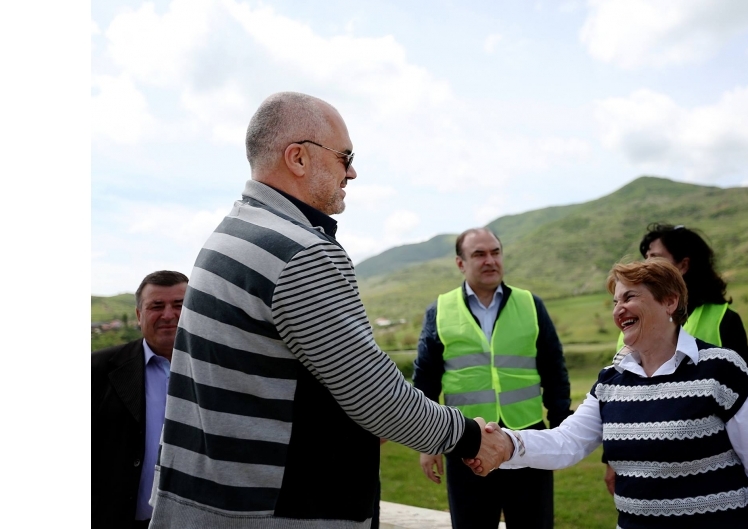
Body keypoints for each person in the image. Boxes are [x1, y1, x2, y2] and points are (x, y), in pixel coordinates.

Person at [147, 92, 508, 529]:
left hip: (210, 504)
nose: (351, 172)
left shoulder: (230, 235)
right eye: (345, 157)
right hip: (277, 513)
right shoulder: (300, 252)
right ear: (298, 158)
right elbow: (375, 395)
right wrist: (469, 437)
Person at [468, 259, 748, 529]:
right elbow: (567, 442)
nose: (618, 310)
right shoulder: (611, 382)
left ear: (669, 301)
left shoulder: (722, 369)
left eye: (629, 298)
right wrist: (507, 443)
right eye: (615, 302)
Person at [413, 227, 572, 529]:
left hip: (527, 440)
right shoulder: (440, 311)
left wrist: (561, 427)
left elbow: (554, 370)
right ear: (460, 263)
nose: (490, 260)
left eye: (495, 252)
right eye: (479, 254)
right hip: (465, 443)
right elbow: (426, 381)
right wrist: (427, 442)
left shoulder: (531, 304)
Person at [92, 270, 188, 528]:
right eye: (156, 306)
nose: (168, 315)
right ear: (138, 315)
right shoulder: (95, 370)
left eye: (179, 305)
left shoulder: (222, 369)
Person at [614, 223, 748, 371]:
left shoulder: (724, 320)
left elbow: (743, 382)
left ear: (683, 265)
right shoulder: (632, 321)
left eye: (655, 257)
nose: (646, 265)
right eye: (646, 257)